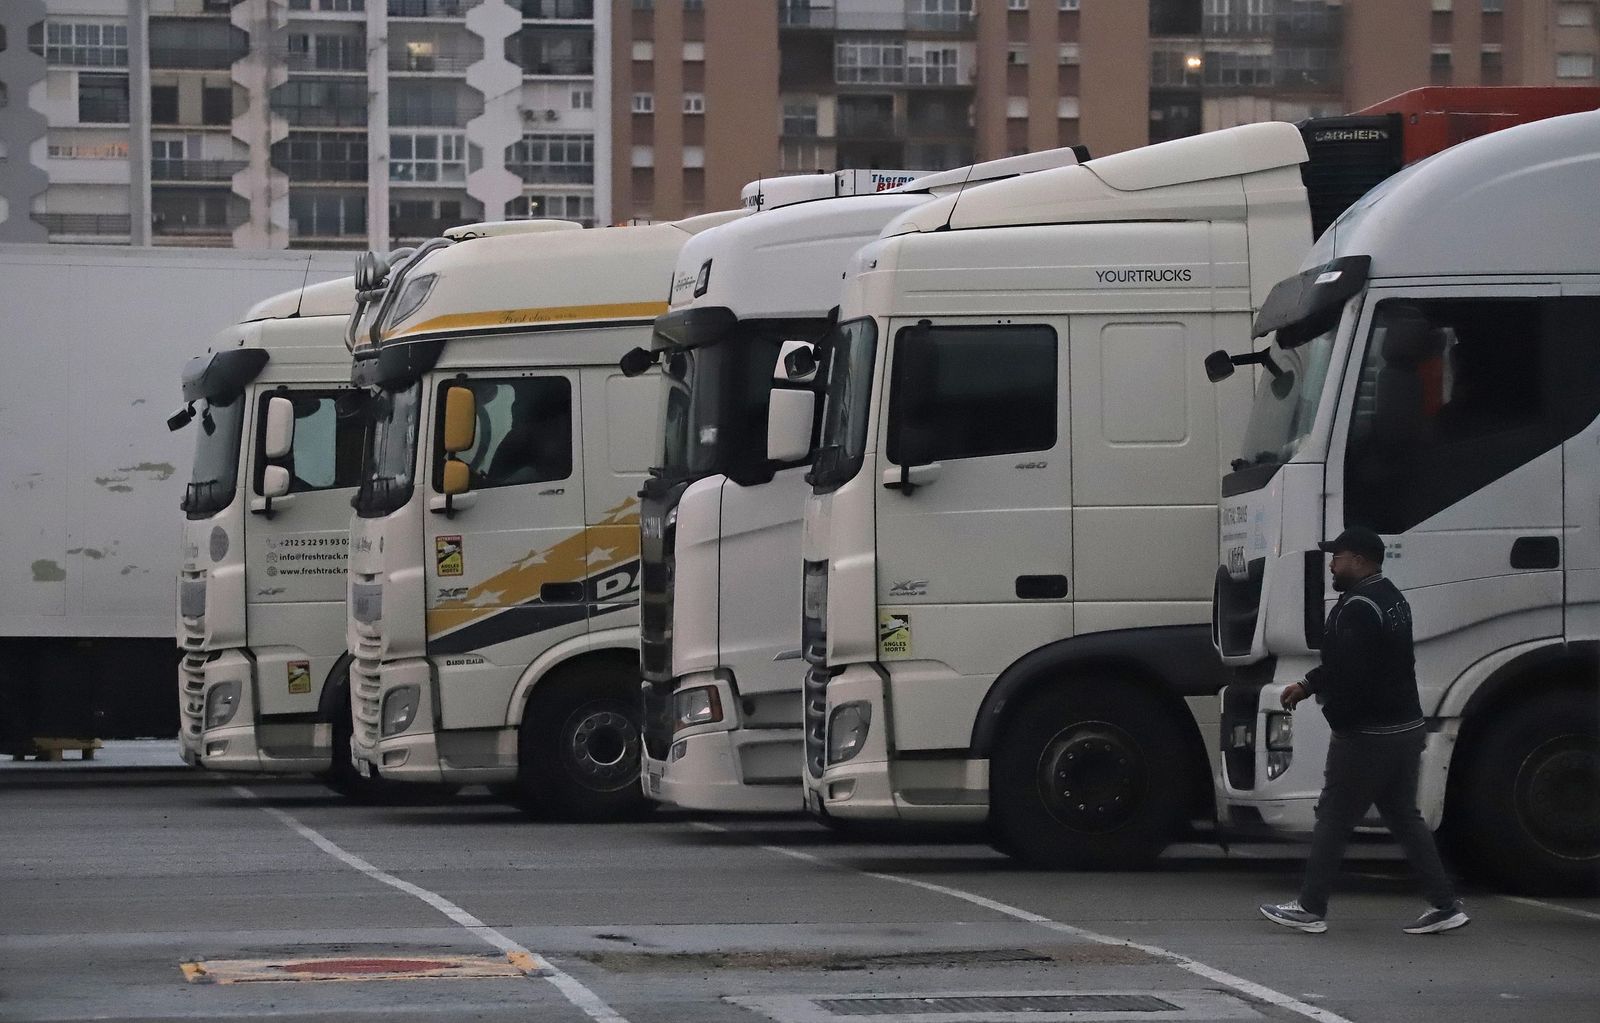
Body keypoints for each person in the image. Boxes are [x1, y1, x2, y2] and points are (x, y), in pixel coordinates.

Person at [1259, 526, 1469, 935]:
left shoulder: (1355, 607)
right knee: (1404, 816)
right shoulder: (1392, 598)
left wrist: (1338, 718)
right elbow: (1368, 661)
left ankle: (1309, 908)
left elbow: (1350, 672)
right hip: (1406, 726)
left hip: (1369, 734)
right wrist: (1306, 685)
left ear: (1357, 559)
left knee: (1334, 817)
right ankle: (1445, 905)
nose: (1331, 565)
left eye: (1336, 557)